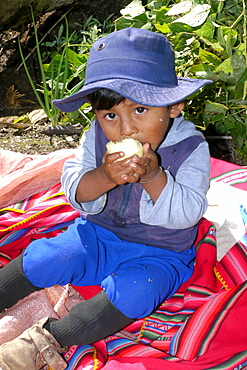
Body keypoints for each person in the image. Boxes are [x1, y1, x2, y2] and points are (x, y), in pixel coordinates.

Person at [0, 27, 212, 369]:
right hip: (98, 236)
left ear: (173, 106)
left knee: (135, 292)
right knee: (46, 256)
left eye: (140, 110)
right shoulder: (95, 138)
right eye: (110, 115)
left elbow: (187, 212)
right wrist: (102, 176)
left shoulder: (191, 149)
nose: (125, 129)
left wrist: (155, 176)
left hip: (162, 253)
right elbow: (74, 189)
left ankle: (46, 340)